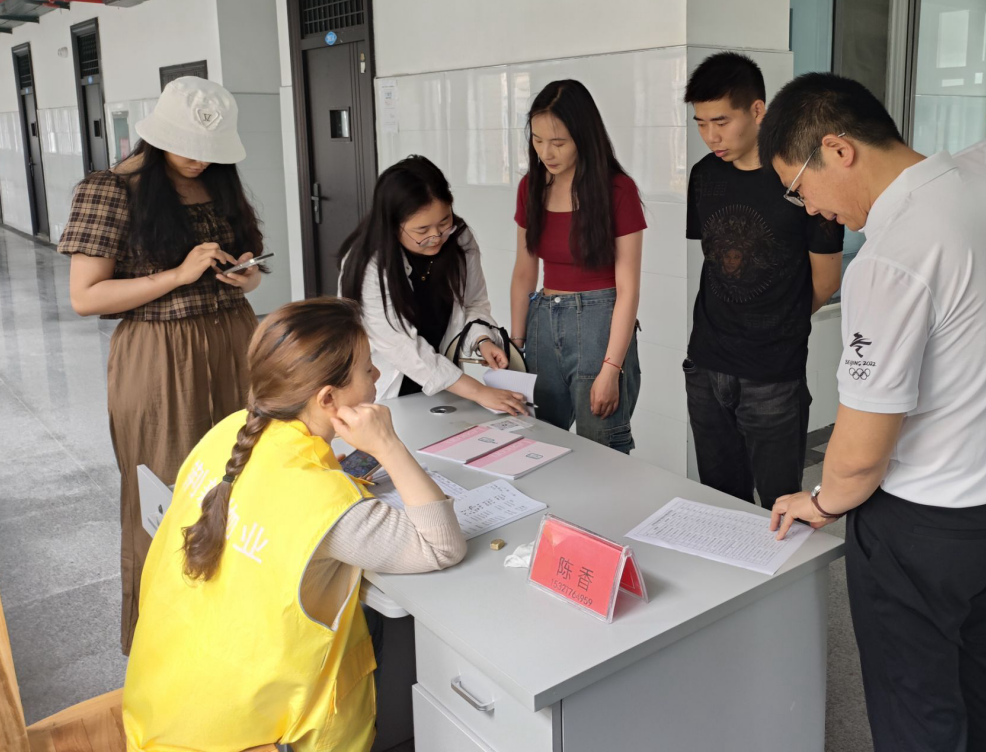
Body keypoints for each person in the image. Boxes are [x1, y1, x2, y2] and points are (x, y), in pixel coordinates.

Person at [762, 73, 986, 752]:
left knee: (916, 709)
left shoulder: (895, 255)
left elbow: (861, 454)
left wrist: (821, 500)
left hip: (923, 526)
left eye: (799, 187)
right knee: (982, 673)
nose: (810, 209)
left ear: (838, 150)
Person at [122, 298, 465, 752]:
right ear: (328, 399)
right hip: (259, 734)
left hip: (163, 708)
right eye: (367, 369)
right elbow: (442, 546)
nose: (377, 376)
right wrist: (388, 446)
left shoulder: (225, 432)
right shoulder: (325, 501)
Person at [58, 76, 265, 654]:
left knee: (244, 479)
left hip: (235, 339)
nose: (199, 160)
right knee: (171, 491)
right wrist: (177, 275)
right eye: (187, 147)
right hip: (158, 355)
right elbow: (85, 296)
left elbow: (246, 265)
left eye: (210, 150)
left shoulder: (218, 182)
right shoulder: (109, 189)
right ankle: (170, 644)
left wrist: (246, 276)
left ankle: (237, 629)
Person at [682, 52, 843, 509]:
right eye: (701, 123)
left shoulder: (803, 179)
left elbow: (826, 279)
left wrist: (778, 319)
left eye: (721, 121)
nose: (711, 136)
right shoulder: (704, 175)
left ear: (757, 110)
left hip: (773, 372)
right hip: (707, 364)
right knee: (720, 502)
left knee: (780, 506)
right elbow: (715, 260)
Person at [509, 79, 645, 453]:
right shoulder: (530, 187)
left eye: (558, 142)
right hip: (541, 323)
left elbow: (628, 287)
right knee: (536, 443)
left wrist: (611, 369)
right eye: (538, 140)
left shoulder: (618, 190)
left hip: (599, 325)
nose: (546, 152)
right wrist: (516, 349)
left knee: (602, 449)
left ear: (583, 136)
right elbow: (524, 272)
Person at [338, 155, 527, 415]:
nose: (436, 236)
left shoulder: (459, 239)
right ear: (392, 224)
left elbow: (473, 303)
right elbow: (401, 346)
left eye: (444, 222)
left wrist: (482, 339)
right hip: (385, 388)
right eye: (422, 230)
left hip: (443, 383)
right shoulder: (369, 264)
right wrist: (478, 391)